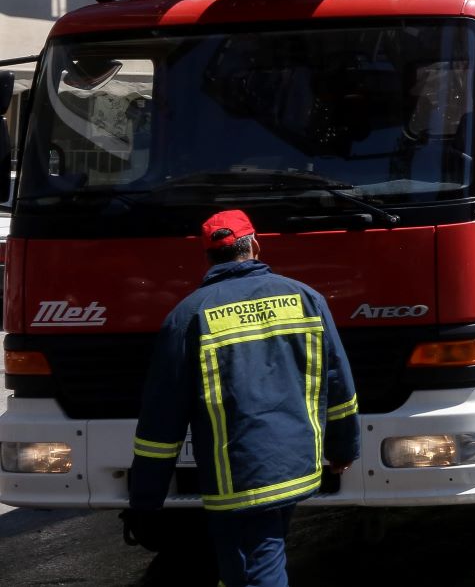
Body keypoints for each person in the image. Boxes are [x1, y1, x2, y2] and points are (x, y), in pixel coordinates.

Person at [128, 210, 360, 586]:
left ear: (206, 256)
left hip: (237, 479)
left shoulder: (189, 315)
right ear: (254, 244)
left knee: (253, 570)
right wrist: (343, 448)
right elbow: (339, 385)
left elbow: (161, 420)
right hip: (298, 466)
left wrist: (145, 499)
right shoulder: (306, 298)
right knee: (258, 558)